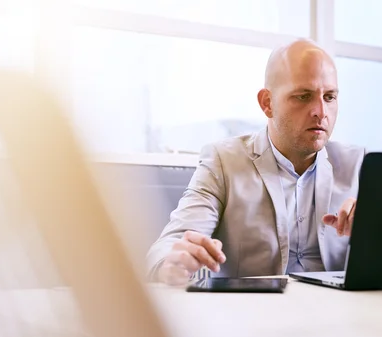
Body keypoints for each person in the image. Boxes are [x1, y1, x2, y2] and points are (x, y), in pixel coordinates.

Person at [146, 39, 366, 285]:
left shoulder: (359, 165)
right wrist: (169, 264)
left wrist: (377, 235)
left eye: (329, 97)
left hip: (339, 313)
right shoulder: (223, 161)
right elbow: (167, 245)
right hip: (253, 313)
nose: (321, 111)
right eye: (303, 96)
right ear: (267, 103)